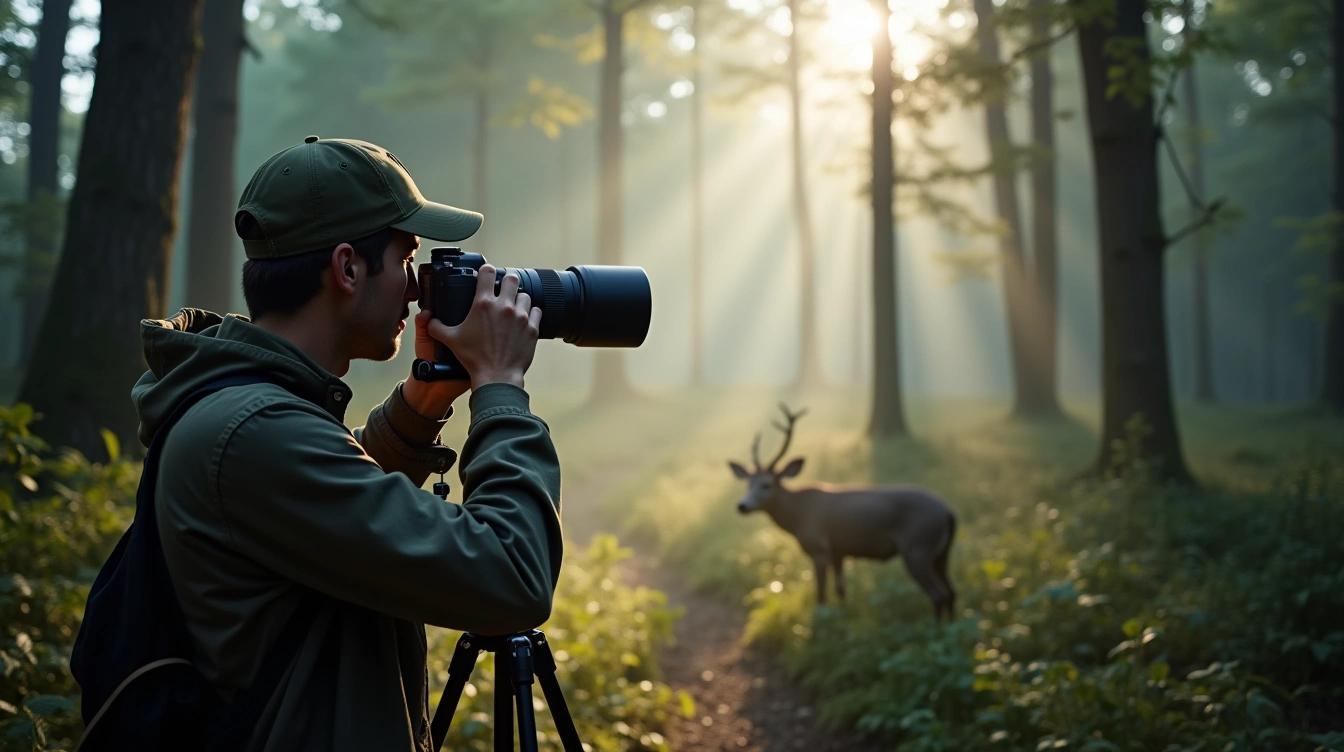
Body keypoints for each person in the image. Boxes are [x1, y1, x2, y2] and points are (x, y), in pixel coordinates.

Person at [133, 136, 561, 750]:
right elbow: (514, 578)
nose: (417, 288)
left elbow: (329, 505)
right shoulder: (255, 431)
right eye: (407, 258)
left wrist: (423, 402)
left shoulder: (248, 408)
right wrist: (500, 387)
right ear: (348, 268)